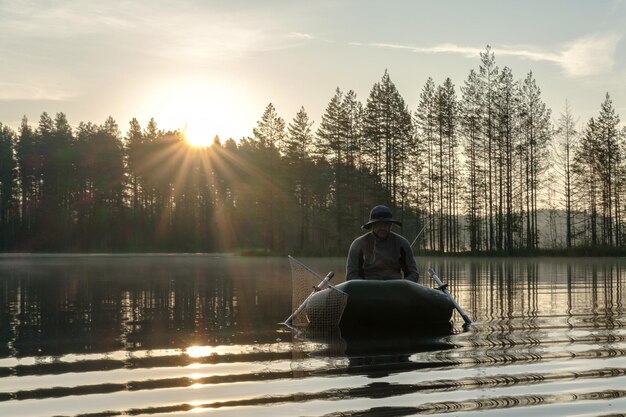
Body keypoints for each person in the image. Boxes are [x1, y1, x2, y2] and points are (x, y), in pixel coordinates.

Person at [346, 205, 419, 282]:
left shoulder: (402, 244)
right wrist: (366, 287)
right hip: (366, 289)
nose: (382, 228)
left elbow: (413, 274)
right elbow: (351, 276)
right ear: (372, 225)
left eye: (386, 224)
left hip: (395, 288)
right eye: (378, 224)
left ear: (391, 225)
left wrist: (403, 285)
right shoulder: (358, 245)